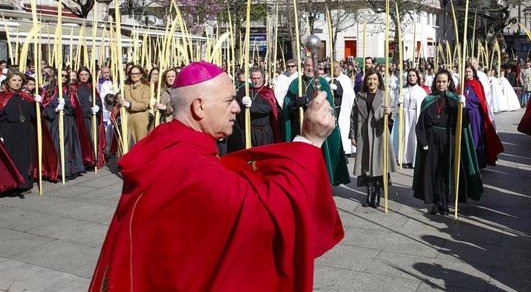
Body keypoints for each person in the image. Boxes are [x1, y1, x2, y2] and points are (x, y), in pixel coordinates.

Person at [89, 61, 344, 291]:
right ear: (199, 106)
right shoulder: (191, 168)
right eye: (228, 100)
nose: (236, 108)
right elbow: (268, 215)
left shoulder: (164, 141)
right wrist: (309, 142)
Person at [412, 69, 483, 215]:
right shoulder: (428, 99)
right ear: (435, 82)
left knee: (445, 172)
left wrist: (462, 108)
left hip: (448, 139)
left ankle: (444, 203)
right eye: (438, 81)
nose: (441, 84)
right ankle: (434, 202)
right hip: (431, 140)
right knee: (432, 171)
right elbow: (421, 125)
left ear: (449, 82)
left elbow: (463, 123)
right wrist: (423, 141)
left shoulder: (454, 100)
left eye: (444, 81)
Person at [282, 57, 350, 186]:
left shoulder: (322, 83)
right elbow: (287, 105)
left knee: (318, 158)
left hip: (317, 130)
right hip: (299, 128)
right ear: (303, 66)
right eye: (307, 65)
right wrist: (296, 104)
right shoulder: (296, 83)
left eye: (312, 66)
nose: (309, 68)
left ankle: (319, 183)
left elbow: (328, 106)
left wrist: (308, 102)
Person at [350, 69, 397, 208]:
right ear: (366, 81)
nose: (372, 82)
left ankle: (376, 193)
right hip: (364, 134)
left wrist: (390, 112)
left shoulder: (384, 95)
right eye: (369, 79)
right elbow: (353, 116)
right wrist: (352, 135)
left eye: (375, 79)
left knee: (378, 165)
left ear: (378, 81)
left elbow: (393, 110)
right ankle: (369, 193)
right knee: (366, 166)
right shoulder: (360, 95)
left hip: (379, 134)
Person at [463, 65, 504, 169]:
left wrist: (467, 100)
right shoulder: (463, 85)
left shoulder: (477, 84)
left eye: (469, 72)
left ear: (473, 73)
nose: (468, 74)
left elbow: (480, 100)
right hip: (465, 115)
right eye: (466, 72)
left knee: (476, 138)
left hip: (475, 115)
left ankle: (478, 162)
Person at [392, 68, 428, 168]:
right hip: (404, 116)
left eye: (413, 76)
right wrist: (398, 103)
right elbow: (396, 106)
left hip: (416, 116)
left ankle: (414, 159)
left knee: (415, 137)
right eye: (409, 76)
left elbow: (424, 105)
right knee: (405, 136)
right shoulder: (403, 90)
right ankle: (404, 159)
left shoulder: (421, 91)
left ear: (417, 77)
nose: (411, 78)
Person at [238, 67, 281, 148]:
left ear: (263, 78)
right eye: (254, 78)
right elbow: (238, 109)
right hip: (249, 130)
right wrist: (241, 103)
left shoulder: (268, 92)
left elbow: (268, 108)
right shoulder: (246, 91)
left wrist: (252, 106)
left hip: (263, 132)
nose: (256, 81)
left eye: (258, 78)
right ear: (250, 78)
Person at [74, 66, 105, 168]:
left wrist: (98, 106)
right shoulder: (75, 88)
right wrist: (88, 110)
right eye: (81, 74)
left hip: (93, 116)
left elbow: (98, 100)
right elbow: (76, 104)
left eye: (86, 74)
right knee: (86, 138)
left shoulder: (91, 86)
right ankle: (87, 160)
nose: (84, 77)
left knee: (94, 138)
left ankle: (95, 158)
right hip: (83, 118)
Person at [119, 64, 151, 144]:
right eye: (132, 74)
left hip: (140, 121)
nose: (134, 76)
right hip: (127, 119)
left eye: (136, 74)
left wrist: (129, 105)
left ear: (141, 75)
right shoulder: (125, 87)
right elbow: (120, 97)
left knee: (140, 145)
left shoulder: (145, 88)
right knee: (126, 146)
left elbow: (144, 105)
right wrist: (118, 98)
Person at [332, 63, 356, 156]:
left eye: (336, 67)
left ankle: (344, 150)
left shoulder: (345, 79)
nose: (334, 69)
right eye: (332, 67)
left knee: (342, 129)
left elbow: (348, 93)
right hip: (331, 109)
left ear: (340, 68)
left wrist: (337, 89)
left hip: (342, 109)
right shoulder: (327, 79)